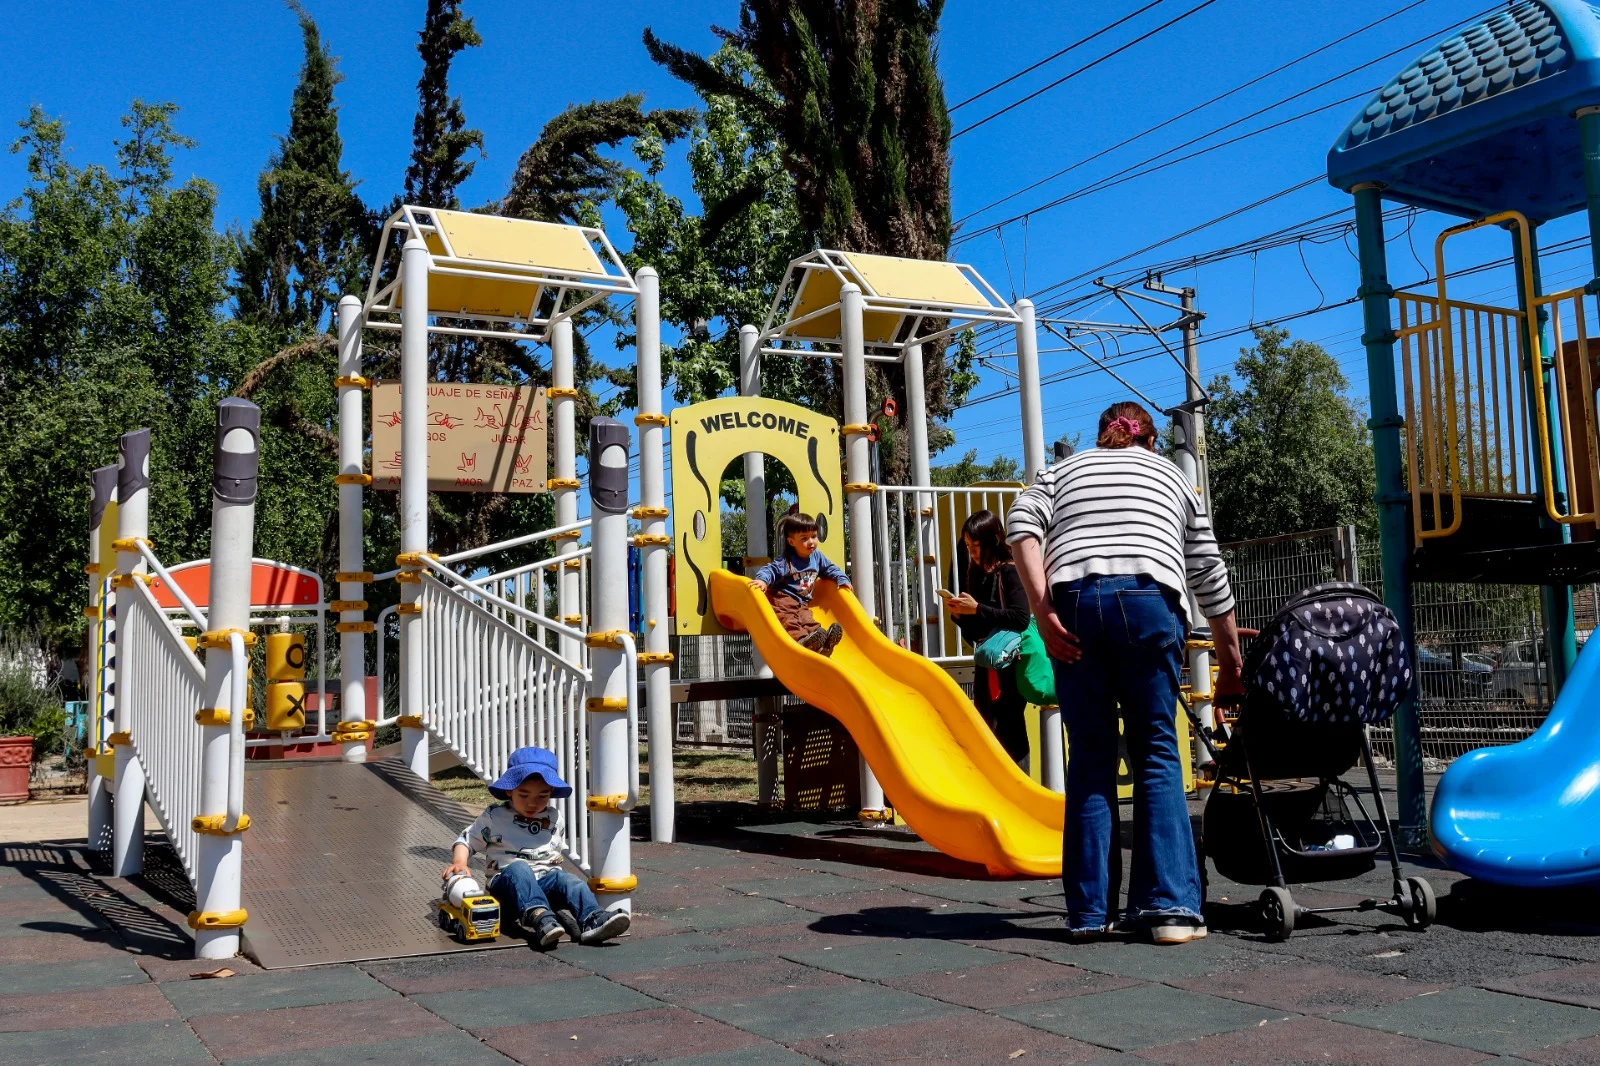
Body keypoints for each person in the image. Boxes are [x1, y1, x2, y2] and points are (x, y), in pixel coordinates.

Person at [1007, 401, 1245, 946]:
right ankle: (1170, 911)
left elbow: (1020, 524)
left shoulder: (1062, 471)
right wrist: (1230, 662)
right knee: (1157, 751)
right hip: (1148, 600)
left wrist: (1043, 613)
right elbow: (1207, 567)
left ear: (1101, 436)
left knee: (1091, 757)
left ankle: (1090, 914)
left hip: (1075, 605)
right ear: (1152, 441)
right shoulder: (1172, 476)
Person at [443, 745, 630, 950]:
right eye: (523, 795)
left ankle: (593, 918)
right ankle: (541, 918)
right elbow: (466, 840)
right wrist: (460, 862)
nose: (533, 803)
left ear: (550, 792)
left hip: (544, 884)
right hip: (507, 890)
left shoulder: (553, 818)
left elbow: (553, 856)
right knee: (519, 868)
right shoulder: (494, 817)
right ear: (509, 790)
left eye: (542, 796)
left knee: (569, 879)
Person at [944, 510, 1031, 764]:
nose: (971, 551)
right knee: (986, 726)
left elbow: (1020, 617)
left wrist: (977, 609)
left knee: (1010, 728)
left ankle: (1021, 792)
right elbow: (977, 632)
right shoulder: (977, 572)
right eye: (968, 545)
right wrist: (960, 615)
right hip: (987, 661)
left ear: (992, 540)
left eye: (975, 545)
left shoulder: (1009, 572)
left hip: (1008, 662)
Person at [750, 512, 851, 656]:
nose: (811, 542)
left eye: (814, 536)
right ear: (791, 542)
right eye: (804, 538)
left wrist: (842, 578)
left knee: (807, 619)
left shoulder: (817, 557)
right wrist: (762, 580)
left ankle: (822, 644)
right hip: (783, 599)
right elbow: (769, 570)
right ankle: (802, 640)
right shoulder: (787, 561)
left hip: (802, 601)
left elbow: (830, 568)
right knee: (790, 620)